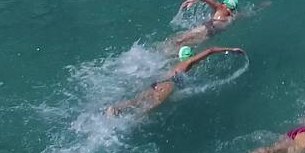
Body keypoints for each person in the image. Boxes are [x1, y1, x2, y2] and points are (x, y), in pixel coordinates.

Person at [105, 46, 244, 118]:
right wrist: (231, 49)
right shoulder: (188, 63)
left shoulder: (177, 64)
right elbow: (210, 51)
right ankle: (132, 120)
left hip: (157, 82)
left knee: (138, 99)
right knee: (153, 105)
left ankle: (116, 109)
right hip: (167, 84)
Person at [168, 0, 242, 50]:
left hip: (206, 28)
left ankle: (166, 48)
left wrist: (190, 1)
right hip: (210, 35)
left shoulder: (221, 8)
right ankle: (170, 53)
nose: (221, 3)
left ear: (225, 5)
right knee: (187, 44)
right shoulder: (232, 16)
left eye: (223, 3)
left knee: (179, 38)